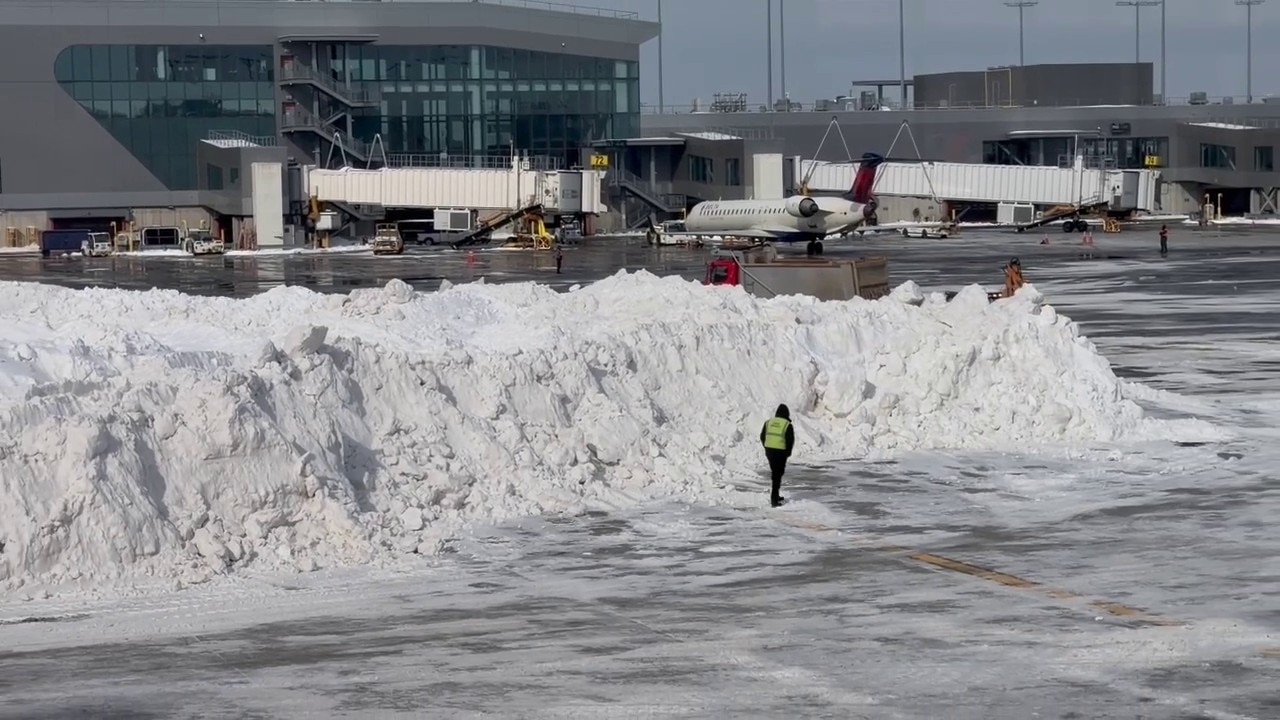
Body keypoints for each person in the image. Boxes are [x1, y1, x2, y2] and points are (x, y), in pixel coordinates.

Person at [759, 404, 796, 508]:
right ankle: (774, 500)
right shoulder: (787, 424)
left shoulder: (768, 422)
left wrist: (767, 447)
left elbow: (762, 436)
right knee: (777, 475)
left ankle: (776, 495)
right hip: (780, 452)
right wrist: (787, 453)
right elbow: (790, 440)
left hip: (770, 451)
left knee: (776, 474)